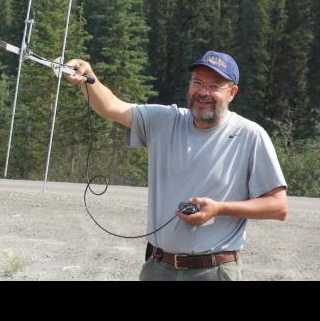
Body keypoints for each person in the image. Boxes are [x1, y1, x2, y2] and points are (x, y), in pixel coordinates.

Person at [64, 50, 287, 281]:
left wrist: (220, 209)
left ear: (232, 93)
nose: (203, 92)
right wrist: (88, 76)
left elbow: (278, 207)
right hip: (158, 268)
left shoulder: (250, 135)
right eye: (197, 83)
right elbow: (111, 107)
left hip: (214, 271)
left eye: (214, 86)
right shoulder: (166, 121)